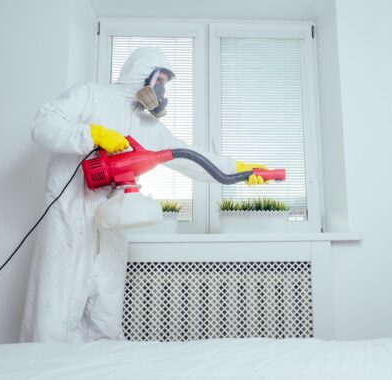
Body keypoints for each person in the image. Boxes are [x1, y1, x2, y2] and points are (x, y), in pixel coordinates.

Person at [21, 47, 267, 342]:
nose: (162, 89)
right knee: (55, 312)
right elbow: (43, 125)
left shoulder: (150, 127)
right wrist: (93, 134)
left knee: (104, 316)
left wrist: (238, 170)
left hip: (113, 222)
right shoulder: (90, 95)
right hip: (71, 219)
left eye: (166, 82)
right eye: (159, 79)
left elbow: (190, 157)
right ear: (142, 74)